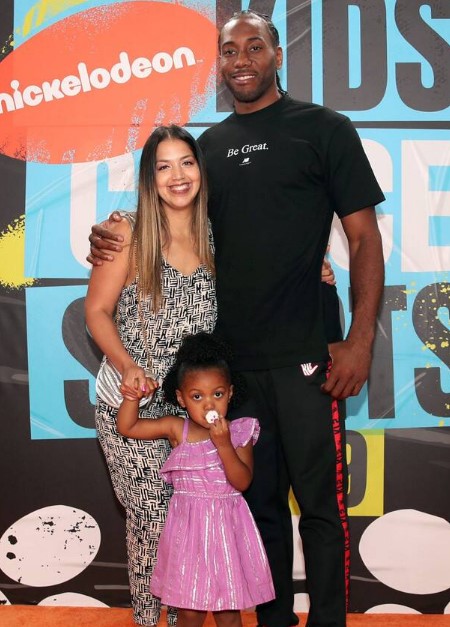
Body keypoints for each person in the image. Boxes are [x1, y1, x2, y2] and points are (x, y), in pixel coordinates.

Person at [87, 10, 385, 627]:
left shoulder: (324, 128)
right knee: (260, 504)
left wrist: (358, 341)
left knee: (323, 509)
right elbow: (177, 220)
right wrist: (111, 234)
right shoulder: (209, 150)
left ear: (278, 54)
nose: (242, 59)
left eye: (255, 46)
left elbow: (361, 240)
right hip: (232, 370)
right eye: (229, 51)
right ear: (219, 64)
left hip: (308, 354)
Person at [84, 125, 217, 626]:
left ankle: (160, 619)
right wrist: (128, 367)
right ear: (149, 177)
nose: (177, 176)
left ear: (201, 169)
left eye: (186, 162)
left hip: (192, 414)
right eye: (163, 166)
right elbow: (96, 311)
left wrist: (316, 270)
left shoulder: (218, 236)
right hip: (128, 406)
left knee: (161, 528)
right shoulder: (127, 232)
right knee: (154, 518)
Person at [116, 331, 275, 627]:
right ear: (181, 398)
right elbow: (129, 427)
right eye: (197, 396)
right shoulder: (177, 429)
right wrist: (131, 398)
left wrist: (224, 445)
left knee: (228, 611)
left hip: (228, 531)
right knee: (190, 610)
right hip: (189, 533)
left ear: (229, 393)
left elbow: (242, 482)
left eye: (217, 394)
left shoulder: (240, 432)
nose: (209, 405)